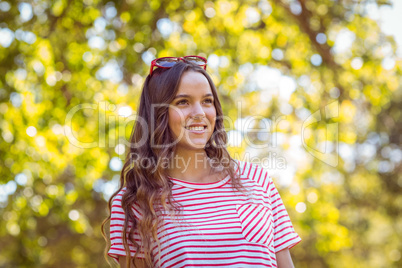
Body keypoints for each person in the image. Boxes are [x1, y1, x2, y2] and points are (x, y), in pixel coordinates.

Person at [101, 56, 301, 268]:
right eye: (183, 102)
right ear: (158, 114)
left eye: (207, 101)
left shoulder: (257, 180)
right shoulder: (137, 200)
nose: (199, 113)